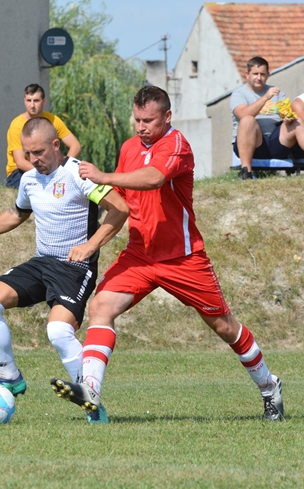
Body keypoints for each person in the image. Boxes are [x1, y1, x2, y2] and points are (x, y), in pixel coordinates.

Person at [51, 86, 284, 424]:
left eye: (149, 120)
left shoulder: (177, 144)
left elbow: (154, 178)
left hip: (183, 257)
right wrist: (91, 244)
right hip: (140, 255)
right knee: (101, 306)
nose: (141, 126)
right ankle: (90, 389)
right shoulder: (130, 147)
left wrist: (103, 176)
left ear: (167, 117)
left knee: (223, 326)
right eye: (137, 119)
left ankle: (269, 386)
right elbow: (120, 206)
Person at [0, 117, 128, 400]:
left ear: (56, 145)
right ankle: (10, 377)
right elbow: (16, 214)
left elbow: (119, 208)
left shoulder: (78, 174)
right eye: (27, 153)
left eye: (39, 152)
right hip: (42, 262)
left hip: (75, 268)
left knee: (58, 331)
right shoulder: (29, 179)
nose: (33, 159)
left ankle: (89, 395)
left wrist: (90, 246)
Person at [231, 56, 304, 179]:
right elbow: (243, 114)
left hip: (276, 143)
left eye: (262, 74)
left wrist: (288, 118)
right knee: (248, 120)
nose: (259, 78)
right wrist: (265, 98)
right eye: (255, 74)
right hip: (252, 144)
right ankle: (246, 171)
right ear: (247, 75)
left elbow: (287, 113)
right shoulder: (239, 94)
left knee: (298, 121)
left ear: (268, 75)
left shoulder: (276, 92)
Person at [5, 84, 81, 188]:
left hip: (49, 169)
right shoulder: (17, 125)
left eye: (36, 101)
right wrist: (49, 173)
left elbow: (75, 146)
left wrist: (63, 169)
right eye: (28, 100)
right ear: (24, 101)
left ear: (44, 101)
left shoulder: (53, 120)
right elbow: (21, 163)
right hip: (20, 173)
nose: (32, 105)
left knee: (79, 179)